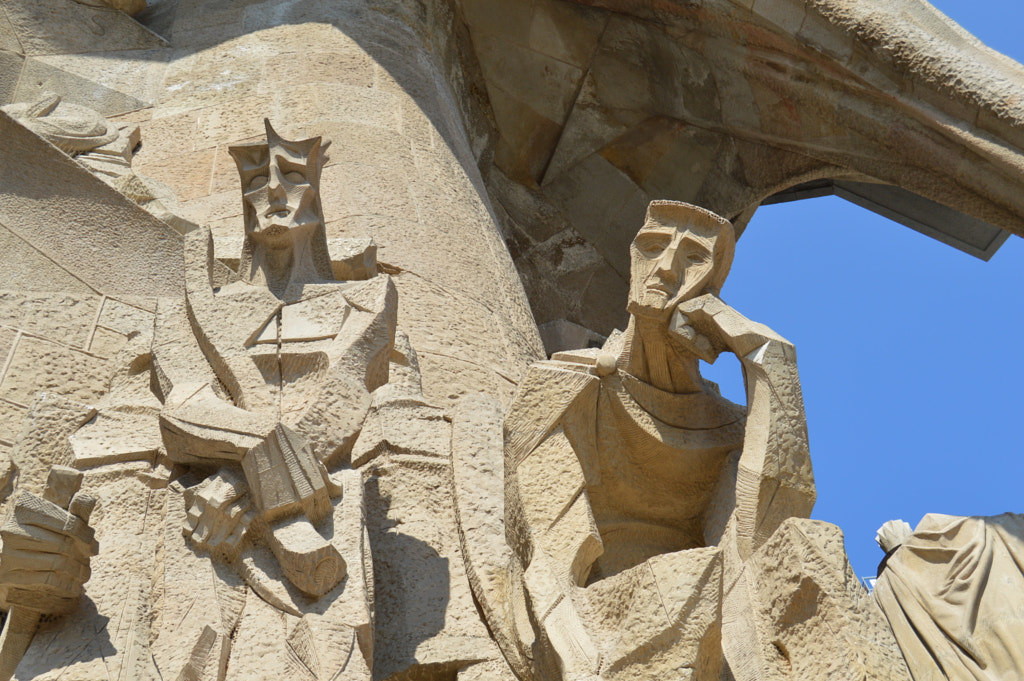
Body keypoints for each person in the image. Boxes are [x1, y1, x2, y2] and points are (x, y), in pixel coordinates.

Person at [0, 121, 401, 680]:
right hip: (167, 558)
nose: (275, 192)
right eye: (258, 177)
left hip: (301, 553)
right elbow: (167, 416)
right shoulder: (188, 314)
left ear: (316, 191)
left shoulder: (365, 304)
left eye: (291, 175)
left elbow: (353, 405)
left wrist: (240, 487)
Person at [497, 200, 816, 679]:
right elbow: (546, 553)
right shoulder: (572, 386)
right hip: (588, 621)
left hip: (701, 621)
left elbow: (761, 541)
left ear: (712, 289)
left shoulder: (728, 429)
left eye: (692, 258)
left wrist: (770, 361)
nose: (664, 268)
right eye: (650, 247)